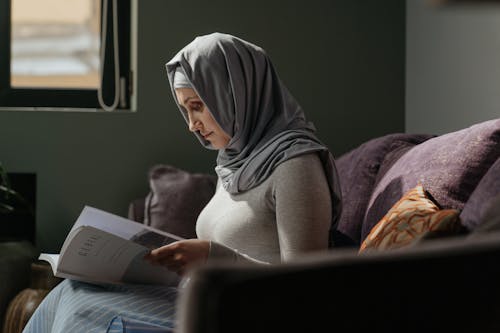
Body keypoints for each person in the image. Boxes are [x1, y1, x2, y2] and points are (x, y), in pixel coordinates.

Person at [22, 32, 342, 333]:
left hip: (245, 315)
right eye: (184, 110)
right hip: (202, 298)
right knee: (72, 289)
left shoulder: (295, 164)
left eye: (198, 107)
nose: (191, 125)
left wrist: (212, 256)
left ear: (235, 93)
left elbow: (306, 287)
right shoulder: (233, 163)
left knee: (83, 306)